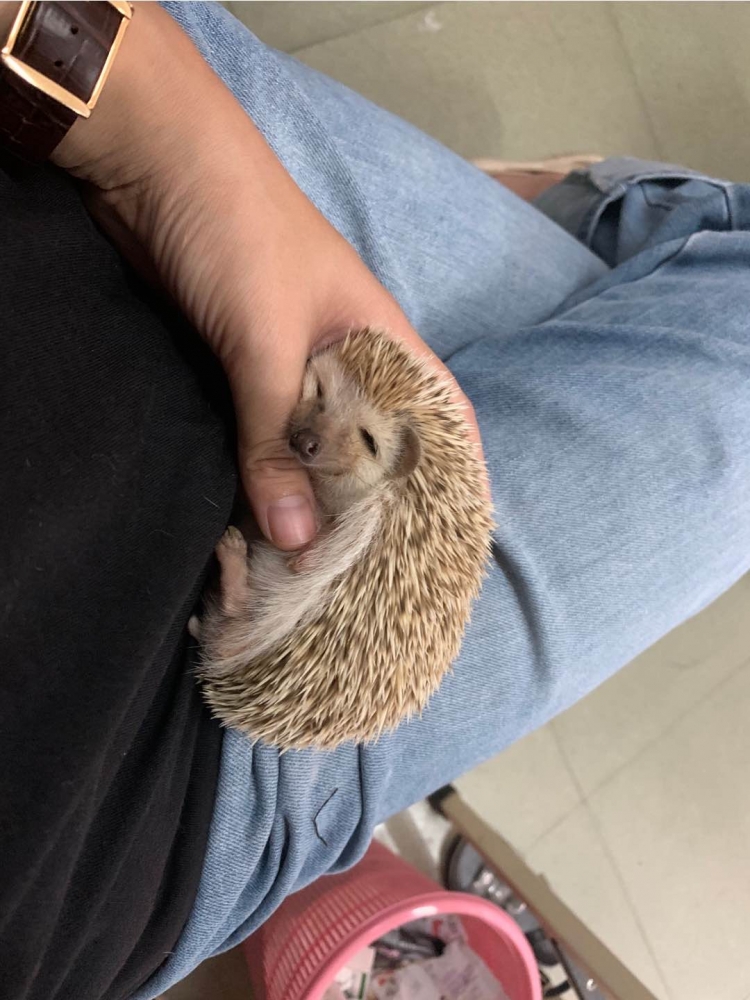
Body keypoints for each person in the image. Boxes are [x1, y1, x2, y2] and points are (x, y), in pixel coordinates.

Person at [1, 2, 748, 998]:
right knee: (706, 281)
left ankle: (589, 224)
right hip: (175, 811)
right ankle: (595, 214)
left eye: (339, 436)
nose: (308, 440)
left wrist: (152, 121)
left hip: (90, 182)